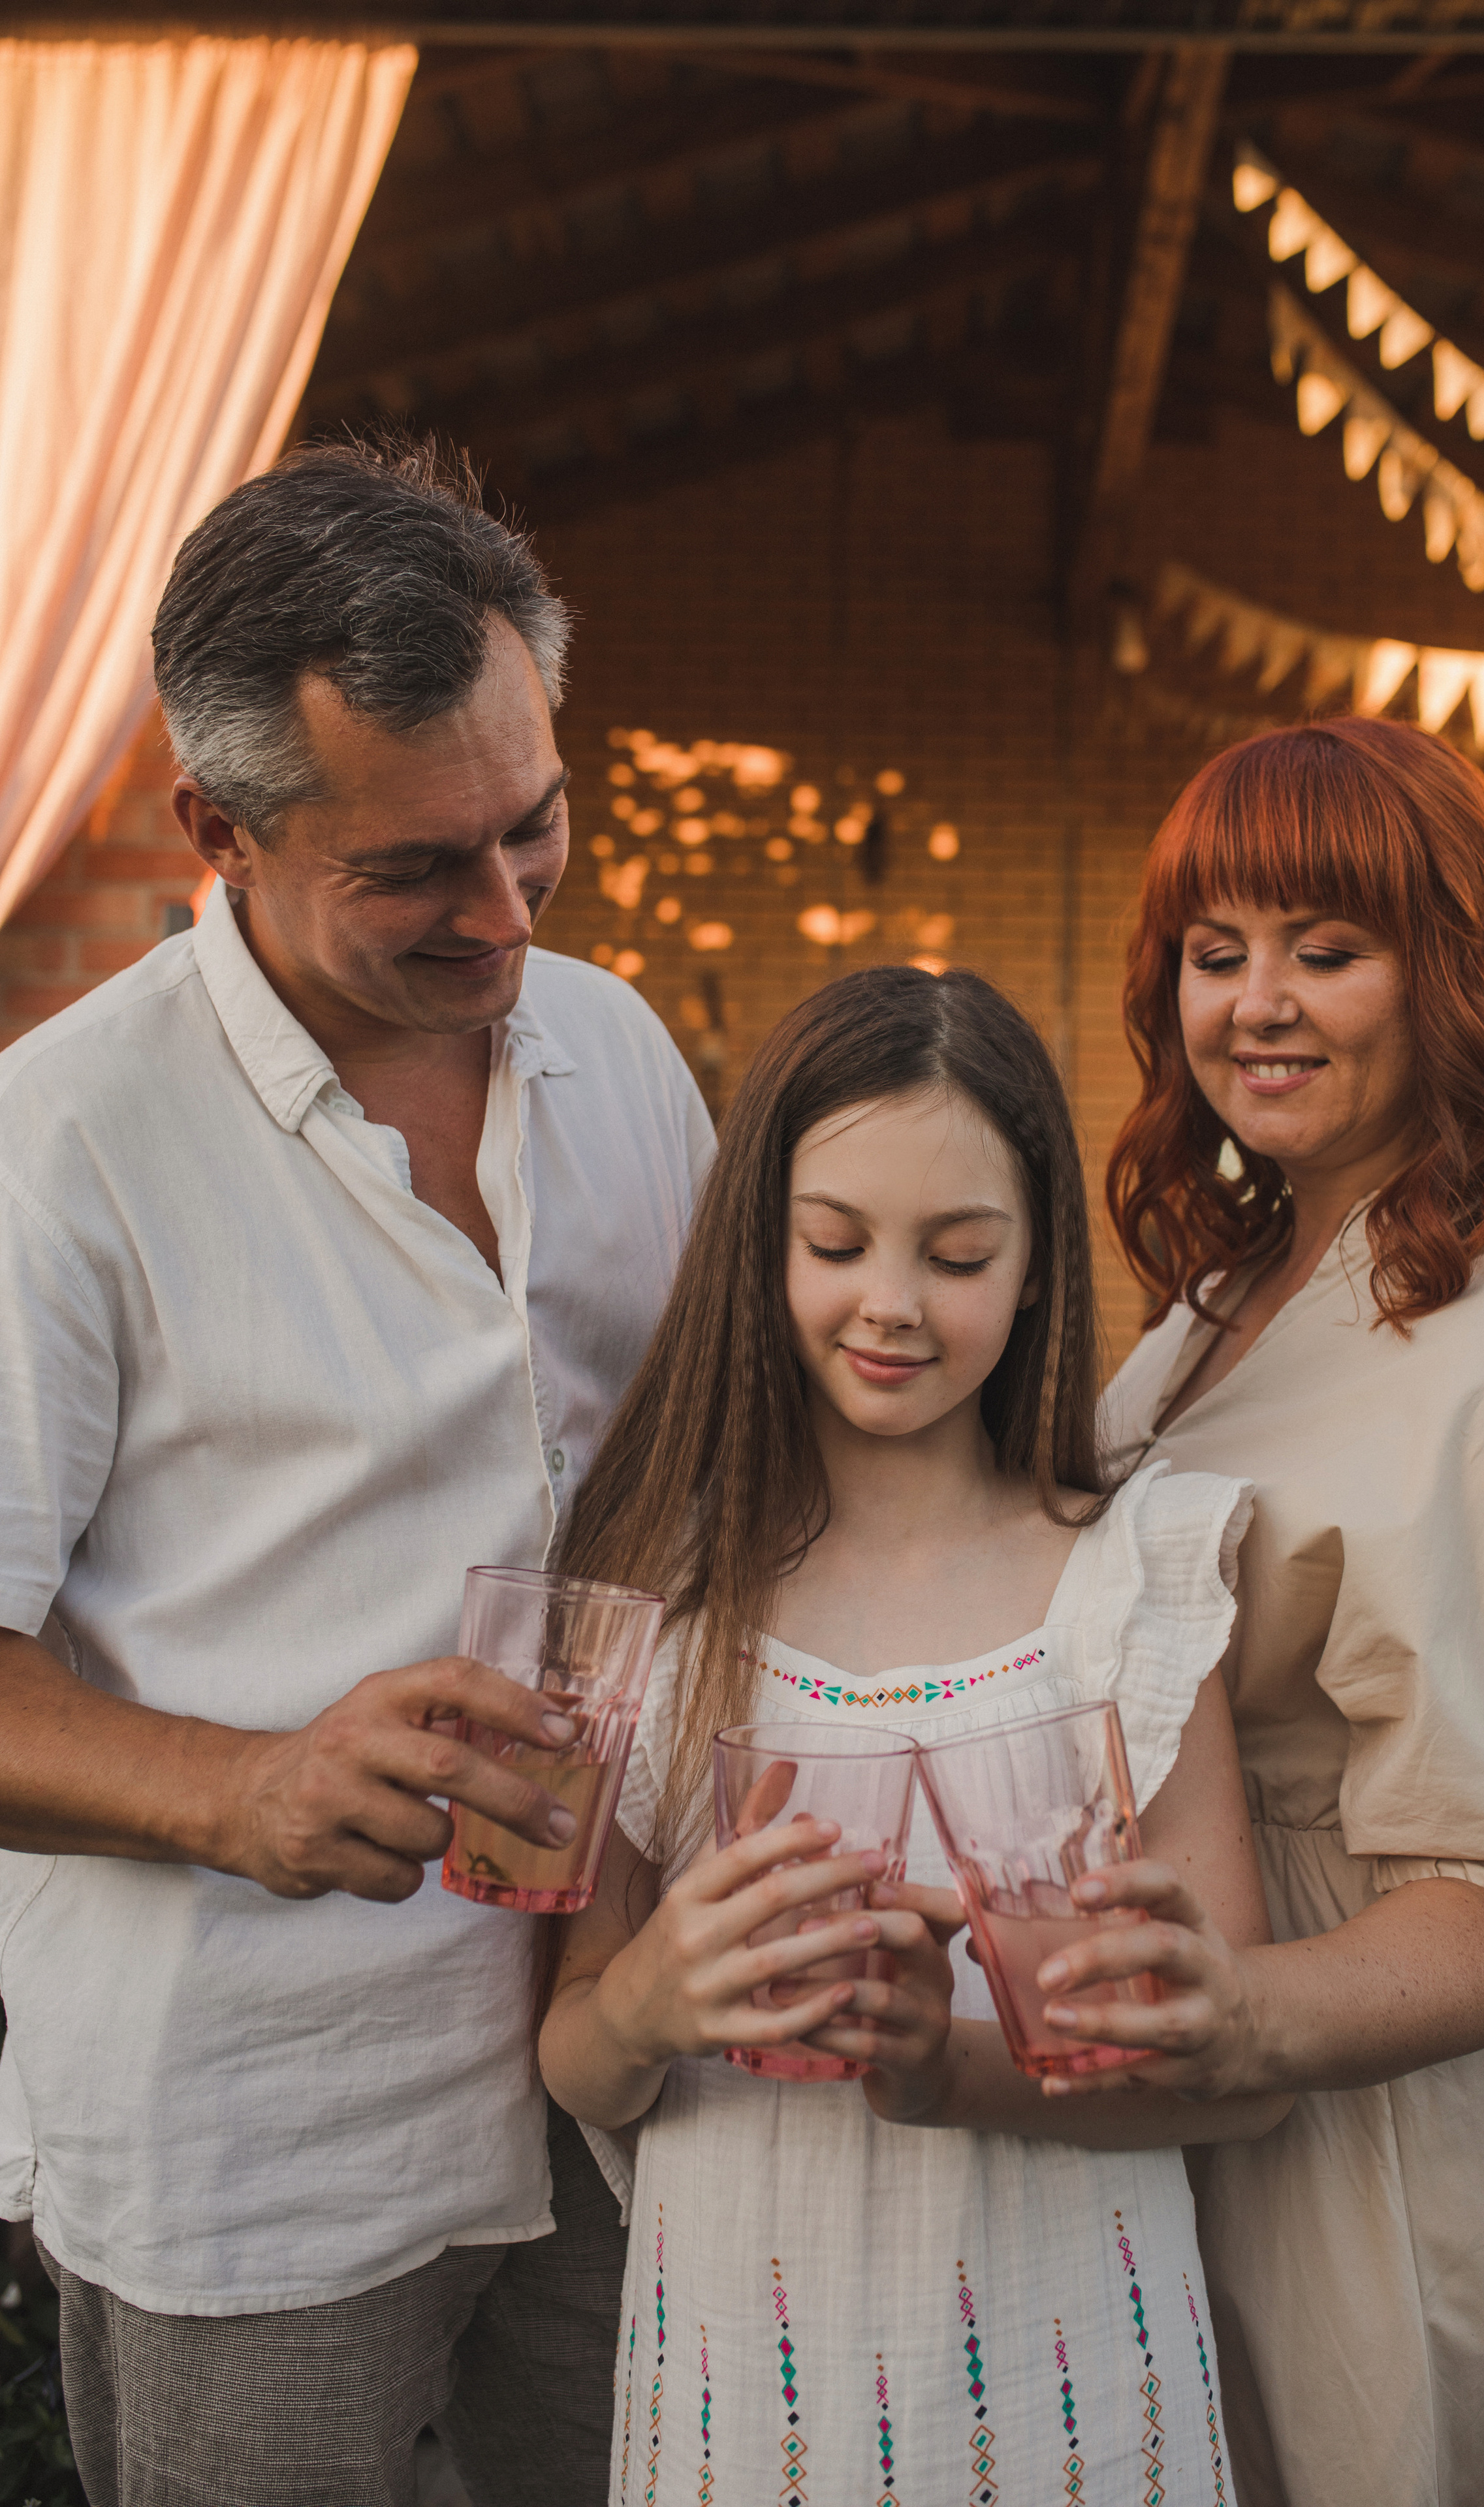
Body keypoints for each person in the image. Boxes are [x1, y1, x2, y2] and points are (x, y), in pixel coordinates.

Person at [0, 438, 712, 2507]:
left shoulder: (622, 1053)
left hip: (621, 2060)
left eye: (534, 822)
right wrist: (245, 1787)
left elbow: (722, 1484)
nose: (506, 910)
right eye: (414, 869)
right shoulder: (57, 1148)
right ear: (214, 827)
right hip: (263, 2132)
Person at [538, 964, 1291, 2503]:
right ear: (756, 1246)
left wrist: (944, 2065)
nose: (888, 1302)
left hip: (1069, 2388)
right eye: (833, 1244)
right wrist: (648, 2006)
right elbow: (575, 2056)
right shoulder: (659, 1596)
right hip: (749, 2394)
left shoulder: (1127, 1586)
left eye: (955, 1256)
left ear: (1035, 1270)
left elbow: (1244, 2075)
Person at [1027, 717, 1484, 2506]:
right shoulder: (1234, 1281)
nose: (1258, 1005)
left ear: (1450, 971)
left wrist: (1226, 2018)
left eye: (1326, 949)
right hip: (1187, 2058)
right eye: (1215, 952)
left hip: (1368, 2139)